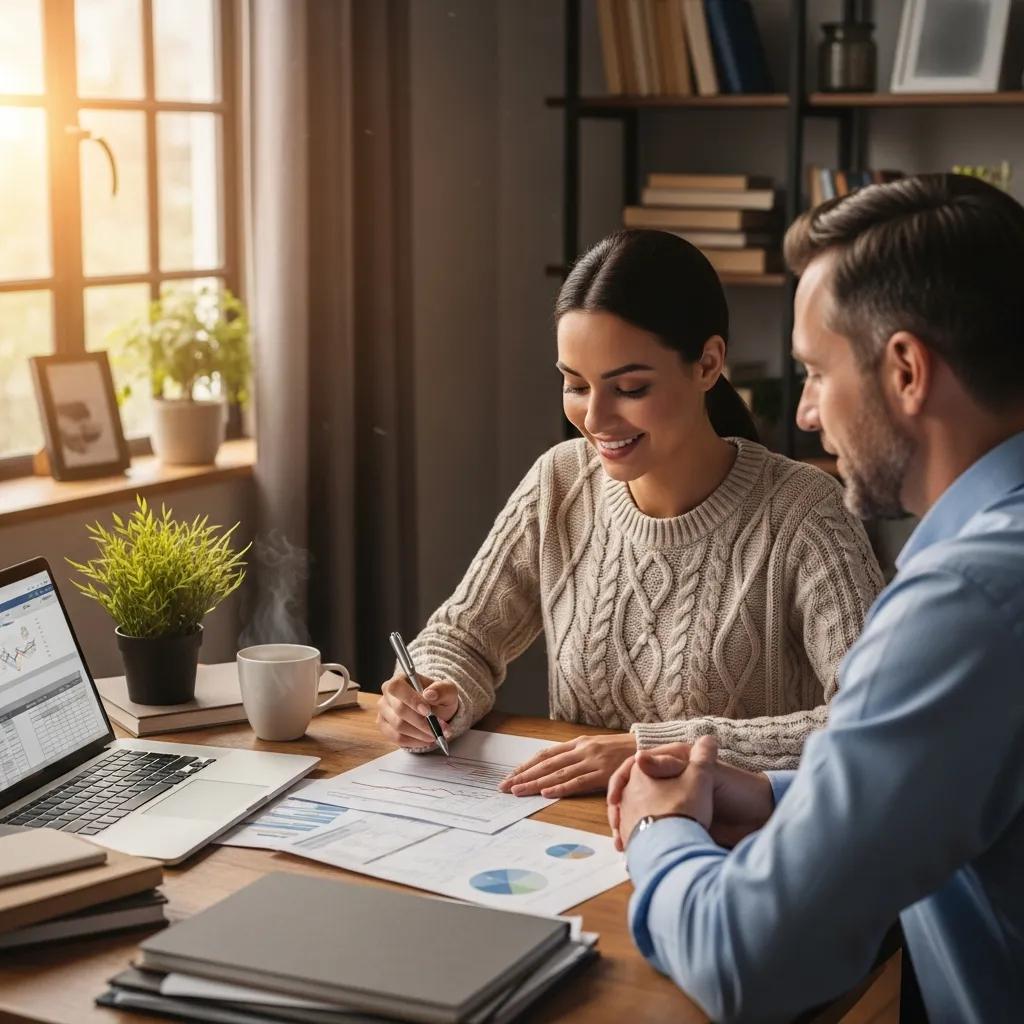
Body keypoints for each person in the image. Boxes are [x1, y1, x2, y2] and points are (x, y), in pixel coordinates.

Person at [609, 174, 1024, 1023]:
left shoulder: (969, 603)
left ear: (906, 370)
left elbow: (747, 958)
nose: (801, 415)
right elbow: (960, 781)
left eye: (814, 371)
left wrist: (661, 831)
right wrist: (773, 796)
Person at [376, 229, 882, 792]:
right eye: (574, 385)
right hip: (569, 836)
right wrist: (437, 690)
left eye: (631, 388)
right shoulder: (560, 482)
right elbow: (463, 637)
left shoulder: (804, 512)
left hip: (733, 844)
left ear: (708, 364)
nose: (595, 418)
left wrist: (654, 752)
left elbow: (873, 719)